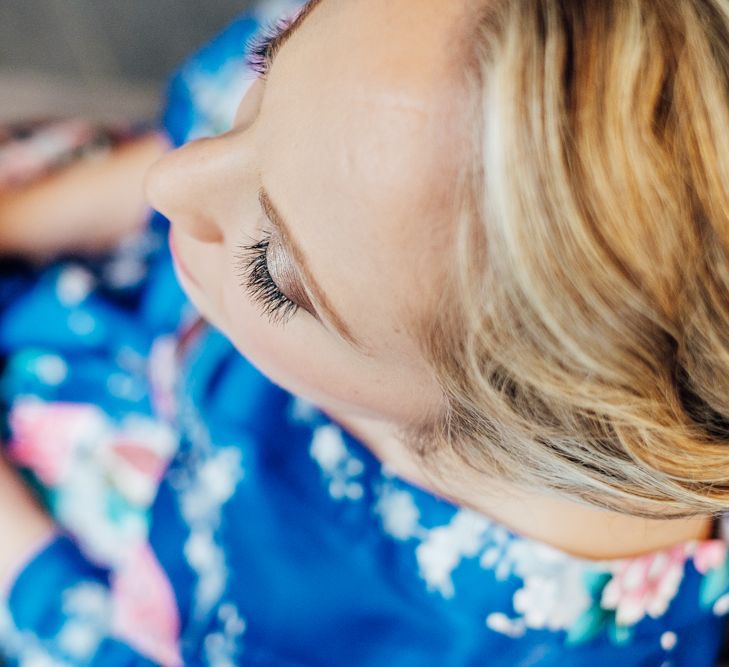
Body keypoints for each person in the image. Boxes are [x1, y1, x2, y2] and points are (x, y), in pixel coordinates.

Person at [0, 0, 728, 663]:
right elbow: (189, 155)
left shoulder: (431, 639)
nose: (175, 181)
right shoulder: (411, 56)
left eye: (274, 272)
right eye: (270, 64)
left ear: (492, 432)